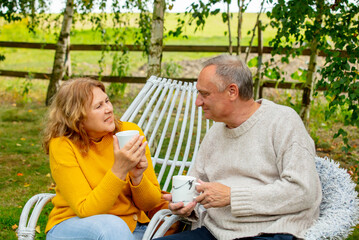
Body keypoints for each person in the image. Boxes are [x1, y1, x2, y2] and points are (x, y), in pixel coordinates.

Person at [156, 55, 322, 240]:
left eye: (205, 94)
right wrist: (187, 205)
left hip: (270, 231)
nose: (198, 102)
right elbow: (197, 185)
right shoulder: (215, 133)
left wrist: (232, 196)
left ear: (232, 91)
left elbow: (303, 191)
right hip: (215, 232)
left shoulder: (283, 122)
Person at [43, 78, 163, 240]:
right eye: (98, 106)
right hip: (73, 226)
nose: (108, 109)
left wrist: (137, 177)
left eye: (107, 101)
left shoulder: (130, 133)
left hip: (132, 228)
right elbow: (86, 210)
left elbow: (151, 204)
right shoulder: (63, 144)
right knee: (111, 226)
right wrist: (119, 170)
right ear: (77, 117)